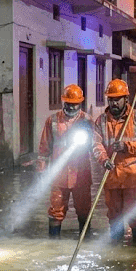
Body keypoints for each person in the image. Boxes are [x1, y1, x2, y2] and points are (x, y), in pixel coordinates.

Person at [91, 78, 136, 244]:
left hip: (133, 177)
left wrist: (127, 146)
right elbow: (96, 145)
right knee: (114, 217)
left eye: (116, 99)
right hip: (111, 176)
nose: (113, 103)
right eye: (110, 99)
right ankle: (116, 252)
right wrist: (103, 160)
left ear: (126, 99)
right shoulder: (101, 121)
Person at [38, 84, 92, 238]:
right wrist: (41, 170)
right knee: (56, 210)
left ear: (80, 103)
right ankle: (53, 246)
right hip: (59, 175)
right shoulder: (53, 120)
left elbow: (96, 146)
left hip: (81, 174)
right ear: (63, 101)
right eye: (68, 103)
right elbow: (43, 148)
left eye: (74, 103)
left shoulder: (87, 120)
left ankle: (85, 242)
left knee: (84, 210)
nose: (71, 106)